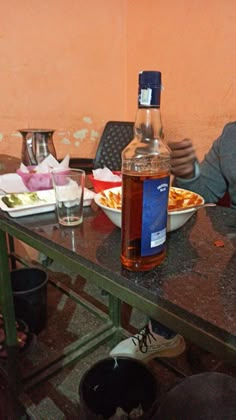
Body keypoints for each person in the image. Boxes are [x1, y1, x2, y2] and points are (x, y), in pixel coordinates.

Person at [110, 121, 236, 361]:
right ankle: (163, 334)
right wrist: (188, 172)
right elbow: (202, 194)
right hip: (231, 239)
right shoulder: (232, 134)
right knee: (172, 241)